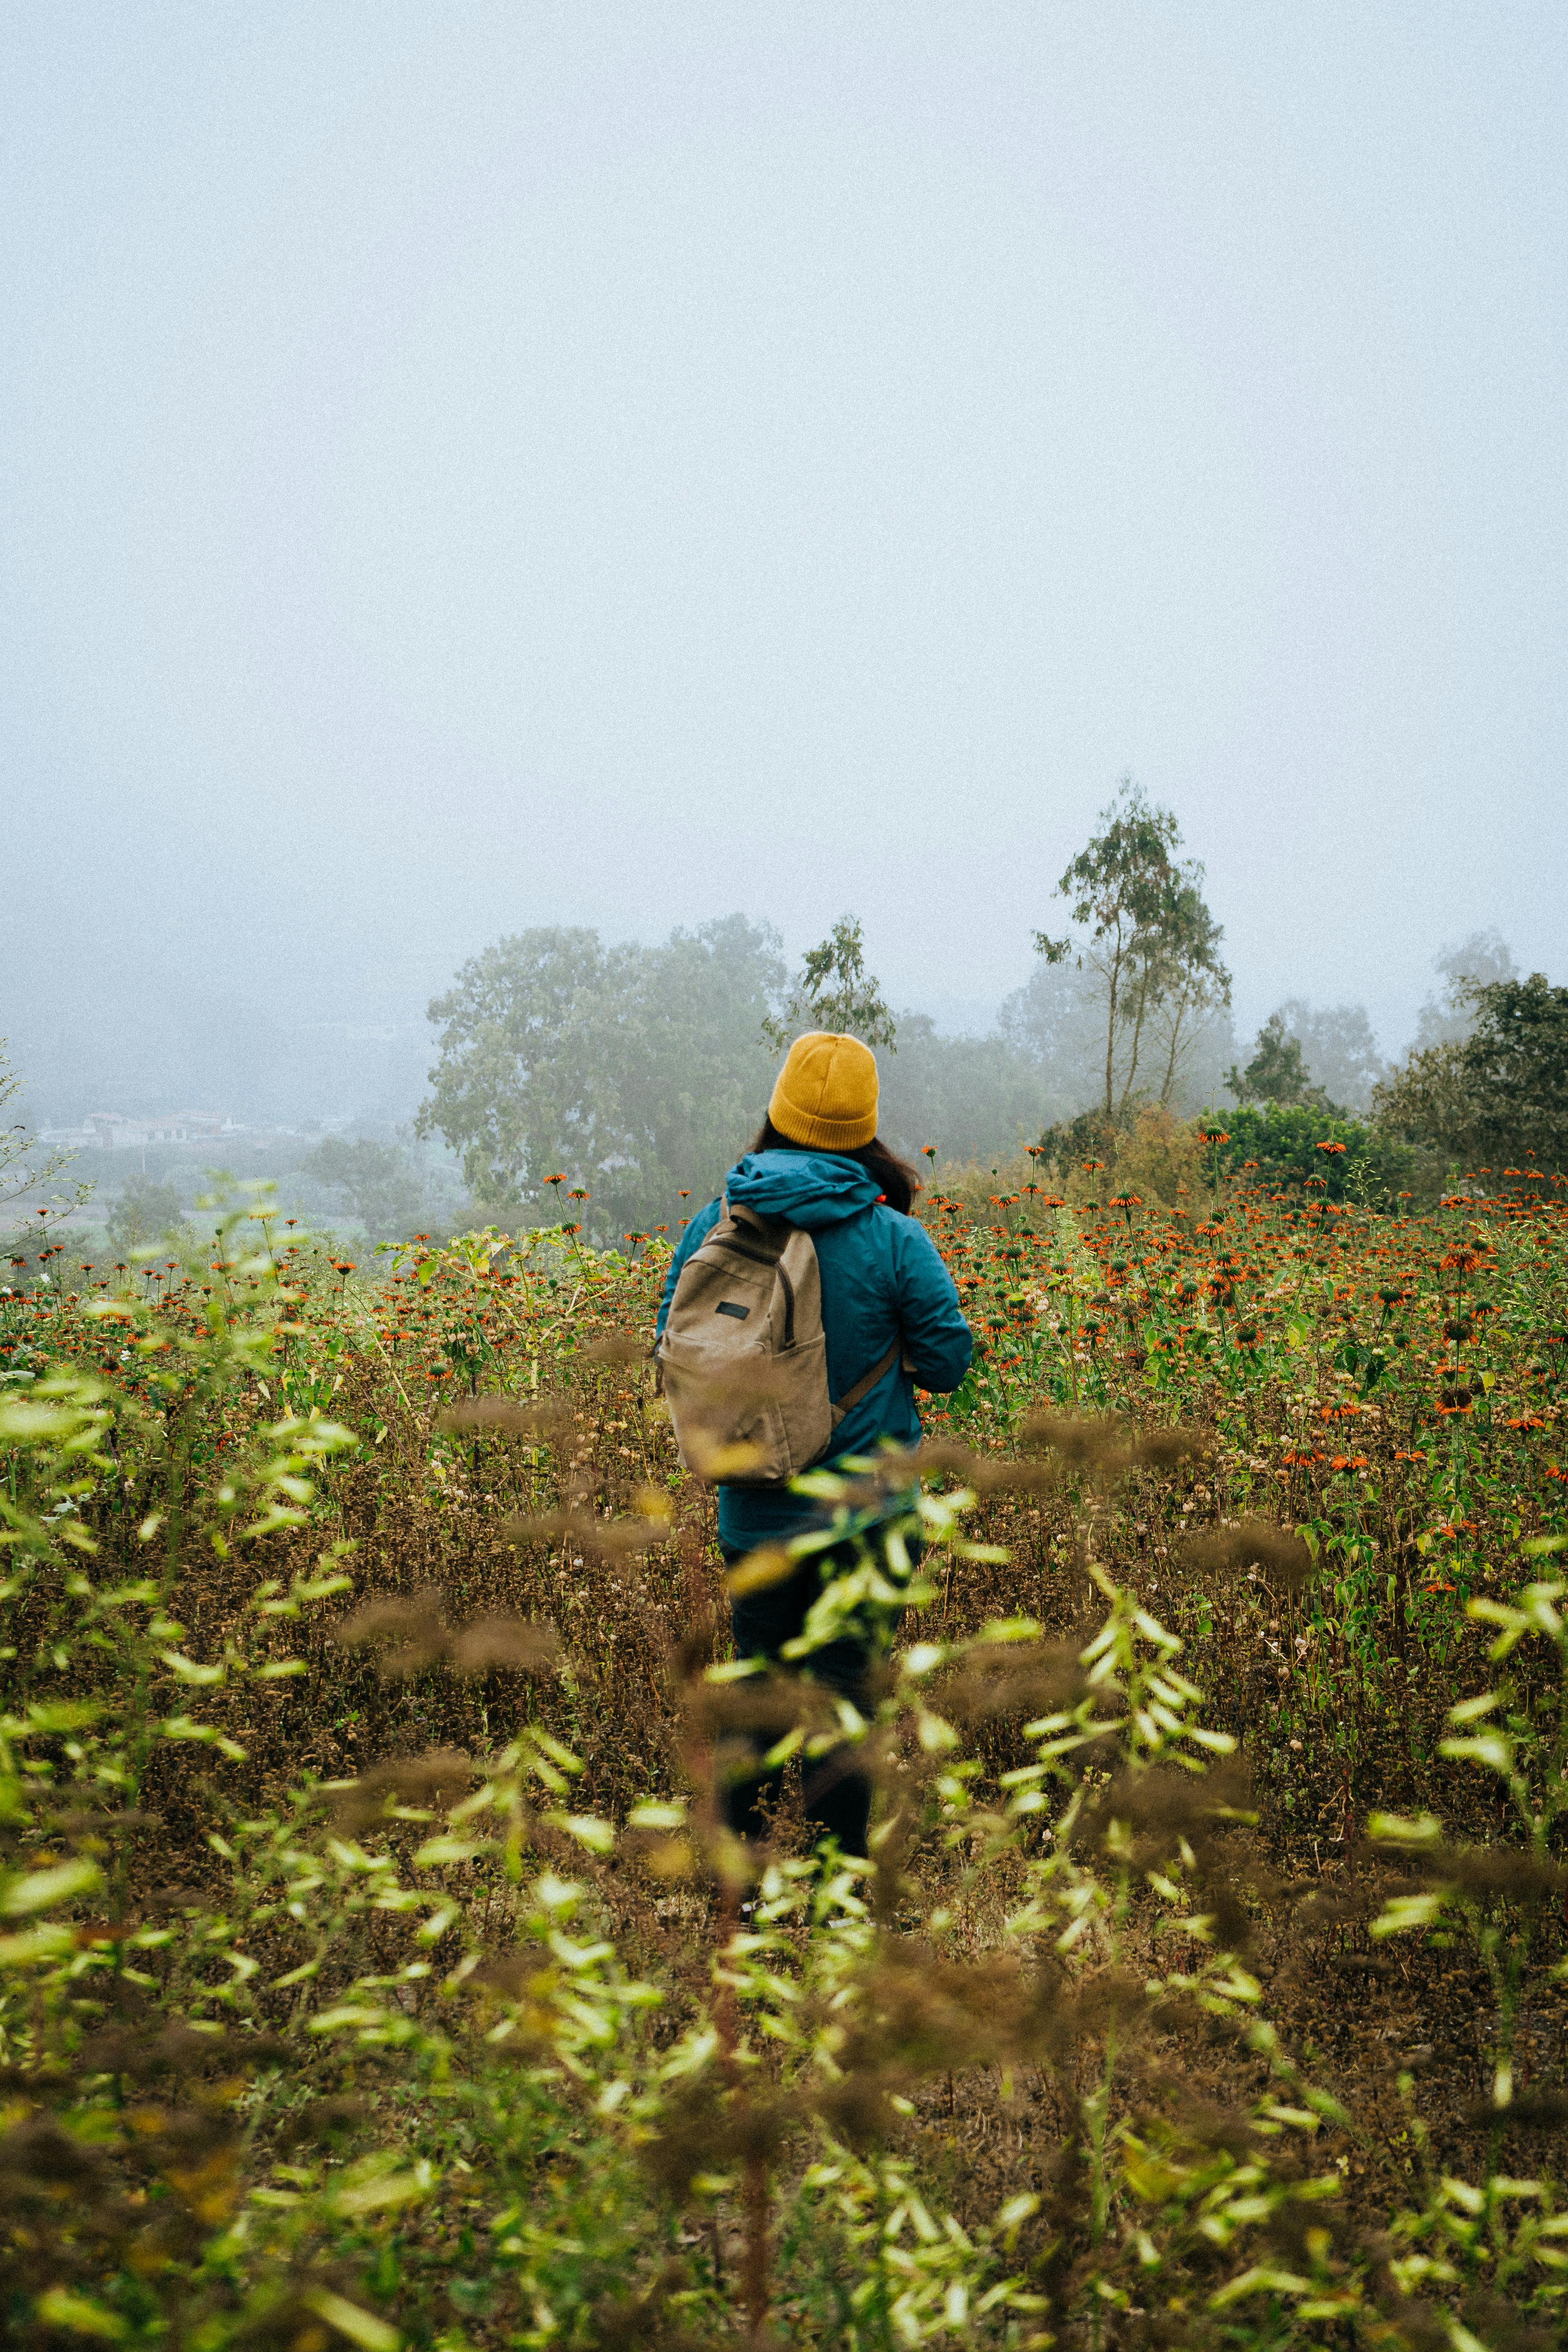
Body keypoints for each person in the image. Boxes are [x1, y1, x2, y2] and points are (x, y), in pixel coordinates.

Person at [655, 1031, 973, 1858]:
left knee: (757, 1700)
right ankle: (835, 1900)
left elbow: (673, 1345)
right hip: (865, 1527)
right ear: (868, 1125)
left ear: (777, 1111)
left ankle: (744, 1897)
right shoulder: (894, 1240)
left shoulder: (714, 1224)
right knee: (843, 1707)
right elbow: (947, 1364)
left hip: (753, 1516)